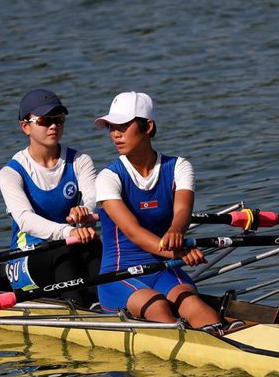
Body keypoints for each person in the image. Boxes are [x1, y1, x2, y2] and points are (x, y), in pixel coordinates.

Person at [92, 91, 240, 333]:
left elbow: (182, 209)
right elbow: (133, 232)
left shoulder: (179, 167)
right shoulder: (109, 177)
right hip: (119, 275)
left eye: (123, 126)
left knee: (191, 302)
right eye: (111, 127)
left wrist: (175, 230)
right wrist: (179, 251)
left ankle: (227, 339)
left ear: (148, 126)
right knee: (158, 306)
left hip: (164, 270)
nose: (115, 134)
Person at [0, 88, 101, 307]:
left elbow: (93, 198)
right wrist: (69, 231)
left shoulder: (80, 161)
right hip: (27, 257)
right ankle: (79, 307)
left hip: (70, 244)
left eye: (59, 119)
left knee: (93, 243)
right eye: (45, 120)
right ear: (25, 126)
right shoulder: (11, 173)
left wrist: (85, 211)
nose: (54, 126)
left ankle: (104, 302)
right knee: (63, 249)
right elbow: (25, 220)